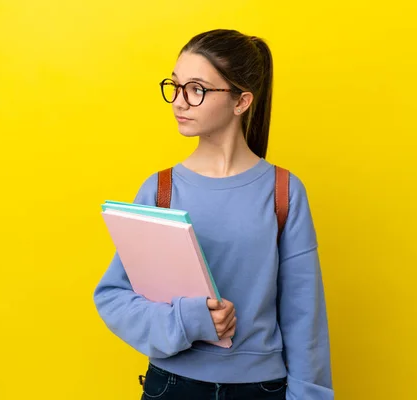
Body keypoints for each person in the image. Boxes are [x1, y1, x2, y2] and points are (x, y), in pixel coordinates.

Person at [93, 28, 334, 400]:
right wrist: (188, 321)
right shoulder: (160, 191)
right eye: (174, 86)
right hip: (171, 387)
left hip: (262, 389)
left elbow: (306, 319)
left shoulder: (284, 192)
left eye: (196, 89)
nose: (178, 101)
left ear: (241, 102)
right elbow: (113, 297)